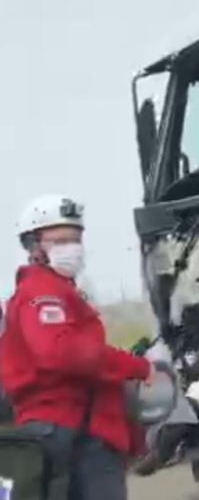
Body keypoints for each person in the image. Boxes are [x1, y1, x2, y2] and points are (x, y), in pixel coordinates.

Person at [0, 194, 154, 500]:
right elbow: (61, 353)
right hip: (72, 429)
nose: (71, 248)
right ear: (34, 247)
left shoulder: (59, 291)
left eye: (75, 239)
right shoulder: (42, 291)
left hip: (73, 428)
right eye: (59, 241)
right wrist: (136, 367)